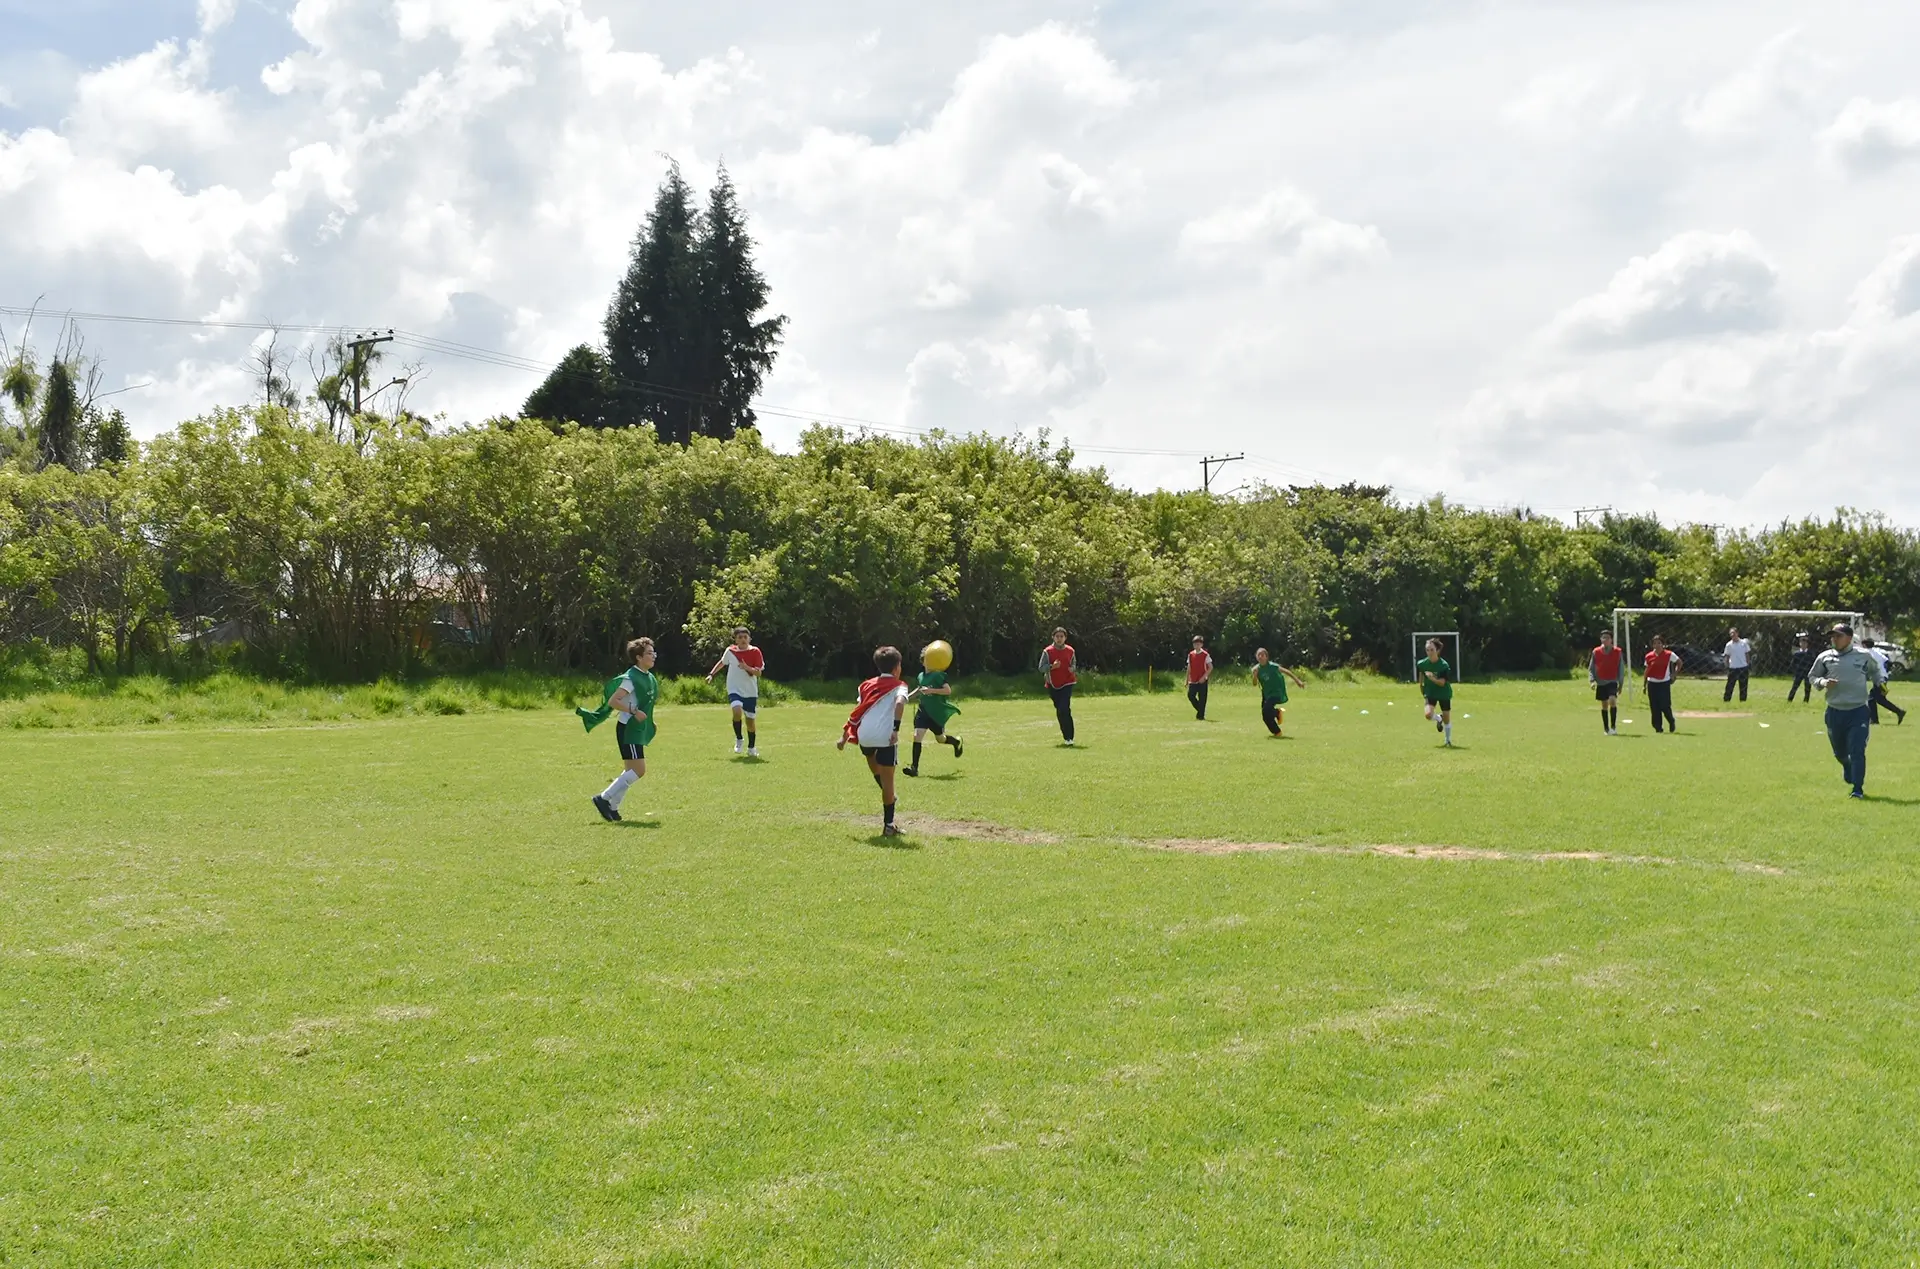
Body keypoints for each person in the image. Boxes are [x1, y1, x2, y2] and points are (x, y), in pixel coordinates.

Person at [576, 637, 659, 822]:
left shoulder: (648, 677)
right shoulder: (631, 678)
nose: (653, 656)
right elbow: (614, 701)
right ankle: (603, 798)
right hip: (628, 729)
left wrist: (650, 722)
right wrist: (633, 711)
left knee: (630, 770)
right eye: (649, 653)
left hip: (636, 728)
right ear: (638, 657)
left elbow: (646, 704)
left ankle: (613, 808)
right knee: (639, 770)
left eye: (654, 653)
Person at [838, 645, 912, 836]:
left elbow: (859, 710)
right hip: (885, 737)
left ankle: (888, 793)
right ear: (897, 667)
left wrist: (845, 736)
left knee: (874, 763)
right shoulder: (900, 685)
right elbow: (899, 703)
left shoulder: (865, 685)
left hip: (864, 735)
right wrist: (895, 729)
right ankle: (889, 825)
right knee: (889, 782)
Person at [1809, 622, 1885, 799]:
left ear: (1849, 638)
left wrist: (1879, 682)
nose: (1834, 639)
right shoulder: (1825, 657)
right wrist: (1823, 682)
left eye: (1838, 636)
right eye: (1832, 636)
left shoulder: (1864, 655)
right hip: (1835, 711)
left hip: (1858, 711)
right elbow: (1812, 676)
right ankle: (1846, 765)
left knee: (1857, 750)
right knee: (1840, 753)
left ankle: (1857, 789)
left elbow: (1876, 671)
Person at [902, 647, 963, 777]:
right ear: (923, 661)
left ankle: (956, 742)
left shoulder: (939, 676)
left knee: (940, 739)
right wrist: (906, 698)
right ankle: (914, 768)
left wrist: (931, 691)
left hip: (936, 713)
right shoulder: (921, 676)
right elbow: (919, 690)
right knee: (917, 736)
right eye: (926, 660)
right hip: (923, 711)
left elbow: (948, 691)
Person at [705, 626, 765, 755]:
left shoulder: (755, 651)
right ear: (735, 640)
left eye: (745, 637)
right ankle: (739, 739)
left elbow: (758, 673)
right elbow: (722, 662)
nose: (743, 640)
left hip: (750, 691)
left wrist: (746, 667)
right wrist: (711, 674)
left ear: (749, 638)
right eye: (740, 637)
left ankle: (751, 747)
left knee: (750, 722)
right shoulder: (730, 651)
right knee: (737, 710)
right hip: (734, 689)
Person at [1253, 647, 1307, 737]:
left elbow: (1287, 672)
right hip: (1266, 694)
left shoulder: (1273, 666)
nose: (1260, 657)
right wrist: (1255, 676)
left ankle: (1277, 714)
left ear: (1267, 657)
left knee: (1266, 710)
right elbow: (1255, 684)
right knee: (1265, 715)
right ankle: (1277, 731)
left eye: (1263, 655)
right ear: (1256, 657)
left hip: (1276, 692)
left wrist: (1298, 682)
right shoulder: (1256, 669)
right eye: (1259, 655)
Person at [1039, 627, 1077, 745]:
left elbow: (1074, 663)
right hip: (1053, 684)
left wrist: (1072, 668)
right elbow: (1041, 668)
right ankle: (1066, 736)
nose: (1059, 639)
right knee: (1060, 711)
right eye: (1057, 636)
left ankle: (1069, 737)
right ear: (1053, 637)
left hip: (1067, 682)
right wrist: (1051, 667)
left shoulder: (1070, 650)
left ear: (1065, 638)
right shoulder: (1047, 651)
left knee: (1064, 708)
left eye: (1062, 636)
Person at [1415, 638, 1455, 746]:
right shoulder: (1422, 664)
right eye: (1427, 650)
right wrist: (1422, 689)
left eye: (1432, 650)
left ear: (1437, 650)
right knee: (1428, 715)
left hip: (1443, 693)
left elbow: (1442, 683)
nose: (1429, 652)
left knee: (1447, 718)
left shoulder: (1443, 665)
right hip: (1430, 692)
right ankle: (1438, 718)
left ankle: (1447, 740)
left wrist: (1432, 678)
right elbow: (1421, 678)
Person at [1862, 639, 1907, 725]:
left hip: (1878, 678)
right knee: (1878, 699)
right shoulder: (1877, 651)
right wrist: (1886, 672)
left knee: (1872, 699)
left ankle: (1875, 720)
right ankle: (1899, 712)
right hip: (1883, 677)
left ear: (1864, 645)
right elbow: (1888, 662)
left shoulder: (1866, 653)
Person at [1589, 629, 1624, 735]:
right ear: (1601, 639)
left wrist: (1621, 683)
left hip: (1612, 681)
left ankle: (1613, 727)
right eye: (1603, 637)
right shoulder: (1596, 652)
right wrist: (1592, 680)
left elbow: (1621, 668)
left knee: (1612, 700)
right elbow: (1591, 668)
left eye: (1607, 638)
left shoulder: (1617, 652)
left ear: (1611, 640)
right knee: (1604, 705)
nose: (1605, 640)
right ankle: (1606, 728)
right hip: (1601, 682)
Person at [1643, 633, 1680, 734]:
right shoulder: (1649, 656)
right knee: (1654, 706)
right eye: (1655, 643)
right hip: (1652, 683)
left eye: (1659, 643)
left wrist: (1674, 674)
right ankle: (1658, 727)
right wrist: (1644, 684)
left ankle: (1671, 721)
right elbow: (1647, 670)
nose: (1657, 645)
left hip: (1664, 683)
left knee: (1664, 705)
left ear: (1663, 644)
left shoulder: (1669, 654)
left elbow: (1679, 662)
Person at [1186, 636, 1213, 720]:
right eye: (1195, 644)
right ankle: (1201, 710)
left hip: (1202, 680)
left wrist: (1204, 677)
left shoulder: (1205, 655)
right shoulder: (1191, 654)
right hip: (1193, 680)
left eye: (1198, 644)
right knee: (1190, 695)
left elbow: (1210, 667)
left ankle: (1201, 715)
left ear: (1201, 644)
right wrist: (1187, 679)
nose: (1196, 645)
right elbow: (1189, 667)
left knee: (1202, 699)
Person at [1722, 626, 1752, 702]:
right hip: (1733, 668)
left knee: (1743, 686)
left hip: (1743, 667)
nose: (1732, 635)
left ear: (1737, 633)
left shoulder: (1744, 643)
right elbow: (1727, 656)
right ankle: (1726, 700)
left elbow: (1747, 654)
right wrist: (1727, 666)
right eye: (1730, 634)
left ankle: (1743, 700)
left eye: (1733, 633)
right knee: (1729, 686)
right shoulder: (1729, 645)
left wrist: (1748, 665)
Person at [1787, 633, 1816, 702]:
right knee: (1795, 687)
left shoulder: (1811, 653)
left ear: (1807, 644)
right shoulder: (1797, 654)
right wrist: (1794, 672)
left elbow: (1813, 663)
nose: (1803, 645)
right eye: (1802, 643)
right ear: (1800, 644)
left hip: (1807, 673)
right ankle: (1790, 699)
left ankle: (1806, 700)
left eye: (1805, 643)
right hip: (1799, 672)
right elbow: (1793, 664)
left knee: (1807, 687)